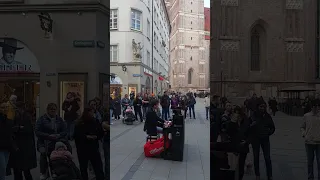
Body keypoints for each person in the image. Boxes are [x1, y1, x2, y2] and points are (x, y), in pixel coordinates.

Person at [35, 103, 69, 180]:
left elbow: (65, 130)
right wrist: (47, 135)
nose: (53, 111)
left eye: (54, 109)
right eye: (51, 109)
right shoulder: (41, 119)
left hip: (56, 140)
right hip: (44, 141)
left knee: (57, 153)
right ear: (48, 110)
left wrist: (59, 135)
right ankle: (43, 172)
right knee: (43, 154)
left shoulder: (59, 119)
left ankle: (55, 170)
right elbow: (37, 131)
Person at [8, 102, 37, 180]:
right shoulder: (14, 117)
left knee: (26, 170)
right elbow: (11, 129)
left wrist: (18, 129)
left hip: (25, 147)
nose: (18, 110)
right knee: (17, 171)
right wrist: (18, 128)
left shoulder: (26, 117)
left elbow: (28, 130)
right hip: (16, 147)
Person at [74, 107, 104, 180]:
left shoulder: (95, 121)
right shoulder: (80, 123)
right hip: (83, 148)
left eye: (93, 112)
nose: (92, 114)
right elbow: (76, 135)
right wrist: (86, 137)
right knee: (83, 168)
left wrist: (96, 137)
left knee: (98, 167)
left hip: (93, 147)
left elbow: (101, 132)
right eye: (90, 112)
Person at [250, 100, 275, 180]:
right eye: (261, 107)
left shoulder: (267, 116)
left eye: (264, 107)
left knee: (267, 158)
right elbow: (249, 126)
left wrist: (268, 132)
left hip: (265, 139)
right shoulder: (253, 115)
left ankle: (270, 175)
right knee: (256, 157)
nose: (262, 108)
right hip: (256, 139)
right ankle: (257, 175)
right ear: (258, 107)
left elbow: (273, 127)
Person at [226, 106, 252, 180]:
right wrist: (232, 122)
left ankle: (240, 178)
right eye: (235, 113)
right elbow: (228, 132)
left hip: (243, 146)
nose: (237, 115)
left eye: (238, 113)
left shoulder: (246, 121)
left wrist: (246, 141)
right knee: (233, 166)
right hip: (234, 146)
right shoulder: (232, 122)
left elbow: (250, 134)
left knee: (241, 165)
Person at [301, 100, 320, 180]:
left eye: (317, 106)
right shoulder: (306, 116)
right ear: (311, 107)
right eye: (314, 106)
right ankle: (310, 177)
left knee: (319, 162)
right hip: (309, 142)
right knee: (310, 162)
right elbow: (302, 126)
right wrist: (304, 134)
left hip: (319, 142)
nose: (316, 108)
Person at [0, 102, 17, 180]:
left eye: (6, 107)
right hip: (0, 147)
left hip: (7, 148)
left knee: (4, 168)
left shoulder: (9, 120)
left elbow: (10, 134)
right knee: (2, 168)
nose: (5, 109)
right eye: (3, 107)